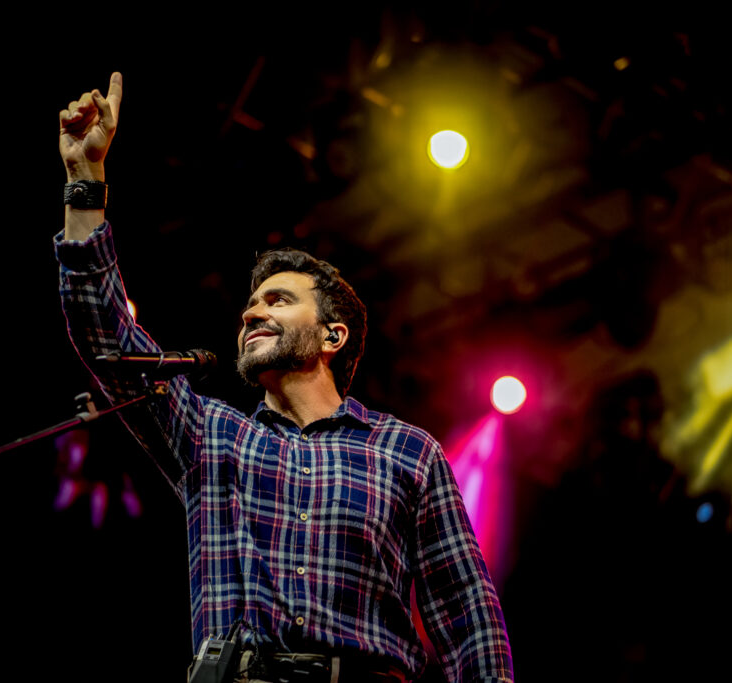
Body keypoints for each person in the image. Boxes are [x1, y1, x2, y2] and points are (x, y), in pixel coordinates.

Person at [54, 72, 513, 683]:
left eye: (278, 300)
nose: (251, 312)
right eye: (251, 304)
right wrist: (85, 184)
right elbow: (109, 344)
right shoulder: (213, 436)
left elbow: (468, 615)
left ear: (332, 336)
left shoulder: (407, 452)